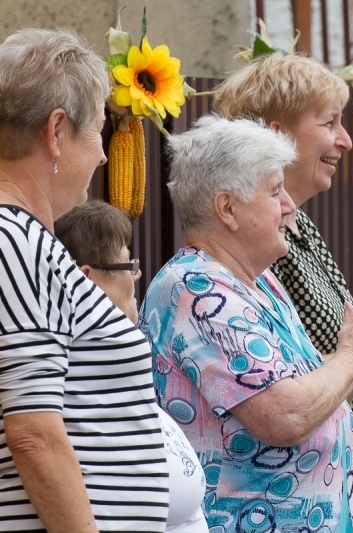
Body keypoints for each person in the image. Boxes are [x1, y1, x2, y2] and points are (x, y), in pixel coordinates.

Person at [138, 114, 353, 533]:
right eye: (275, 192)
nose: (290, 205)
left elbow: (292, 381)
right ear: (228, 209)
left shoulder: (259, 283)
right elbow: (286, 415)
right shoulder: (197, 289)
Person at [212, 52, 353, 510]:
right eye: (330, 123)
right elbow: (274, 384)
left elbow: (323, 363)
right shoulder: (254, 246)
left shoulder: (301, 228)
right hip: (283, 502)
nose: (345, 141)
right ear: (277, 134)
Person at [0, 28, 169, 532]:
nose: (102, 156)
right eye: (96, 131)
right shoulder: (17, 243)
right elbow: (33, 434)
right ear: (55, 131)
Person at [54, 200, 209, 533]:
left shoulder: (116, 367)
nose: (137, 276)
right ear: (87, 278)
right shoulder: (75, 381)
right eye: (129, 265)